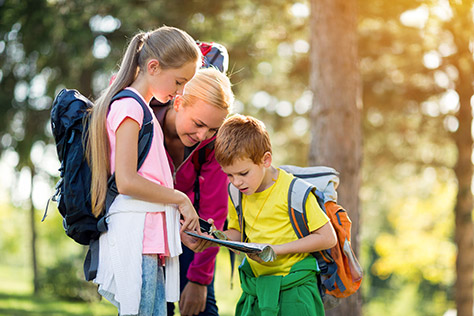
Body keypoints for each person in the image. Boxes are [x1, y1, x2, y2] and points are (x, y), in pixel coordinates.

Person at [87, 26, 204, 316]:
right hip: (136, 240)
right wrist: (181, 198)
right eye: (178, 81)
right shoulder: (130, 107)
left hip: (149, 240)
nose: (180, 92)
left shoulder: (143, 109)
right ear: (153, 66)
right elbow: (127, 181)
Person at [213, 114, 338, 316]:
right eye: (229, 175)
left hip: (295, 291)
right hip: (255, 289)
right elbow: (238, 231)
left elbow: (327, 238)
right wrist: (216, 237)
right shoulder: (237, 192)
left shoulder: (295, 191)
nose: (236, 182)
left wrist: (275, 250)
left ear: (266, 160)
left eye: (243, 173)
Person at [151, 67, 234, 316]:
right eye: (198, 124)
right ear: (178, 102)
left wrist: (200, 280)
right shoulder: (145, 122)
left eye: (212, 129)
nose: (202, 136)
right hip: (150, 230)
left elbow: (214, 212)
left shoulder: (212, 144)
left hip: (193, 231)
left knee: (203, 308)